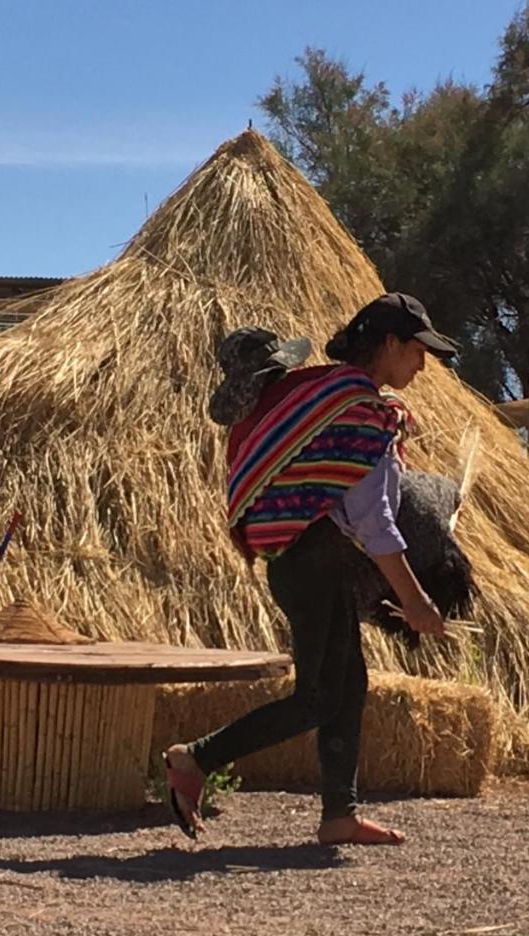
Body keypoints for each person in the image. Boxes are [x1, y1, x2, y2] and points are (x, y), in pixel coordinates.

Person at [165, 292, 459, 846]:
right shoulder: (360, 412)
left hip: (304, 560)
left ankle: (339, 815)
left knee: (349, 684)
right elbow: (375, 528)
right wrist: (416, 602)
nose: (424, 364)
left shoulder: (325, 399)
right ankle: (196, 758)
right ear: (391, 344)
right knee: (319, 695)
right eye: (418, 351)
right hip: (312, 562)